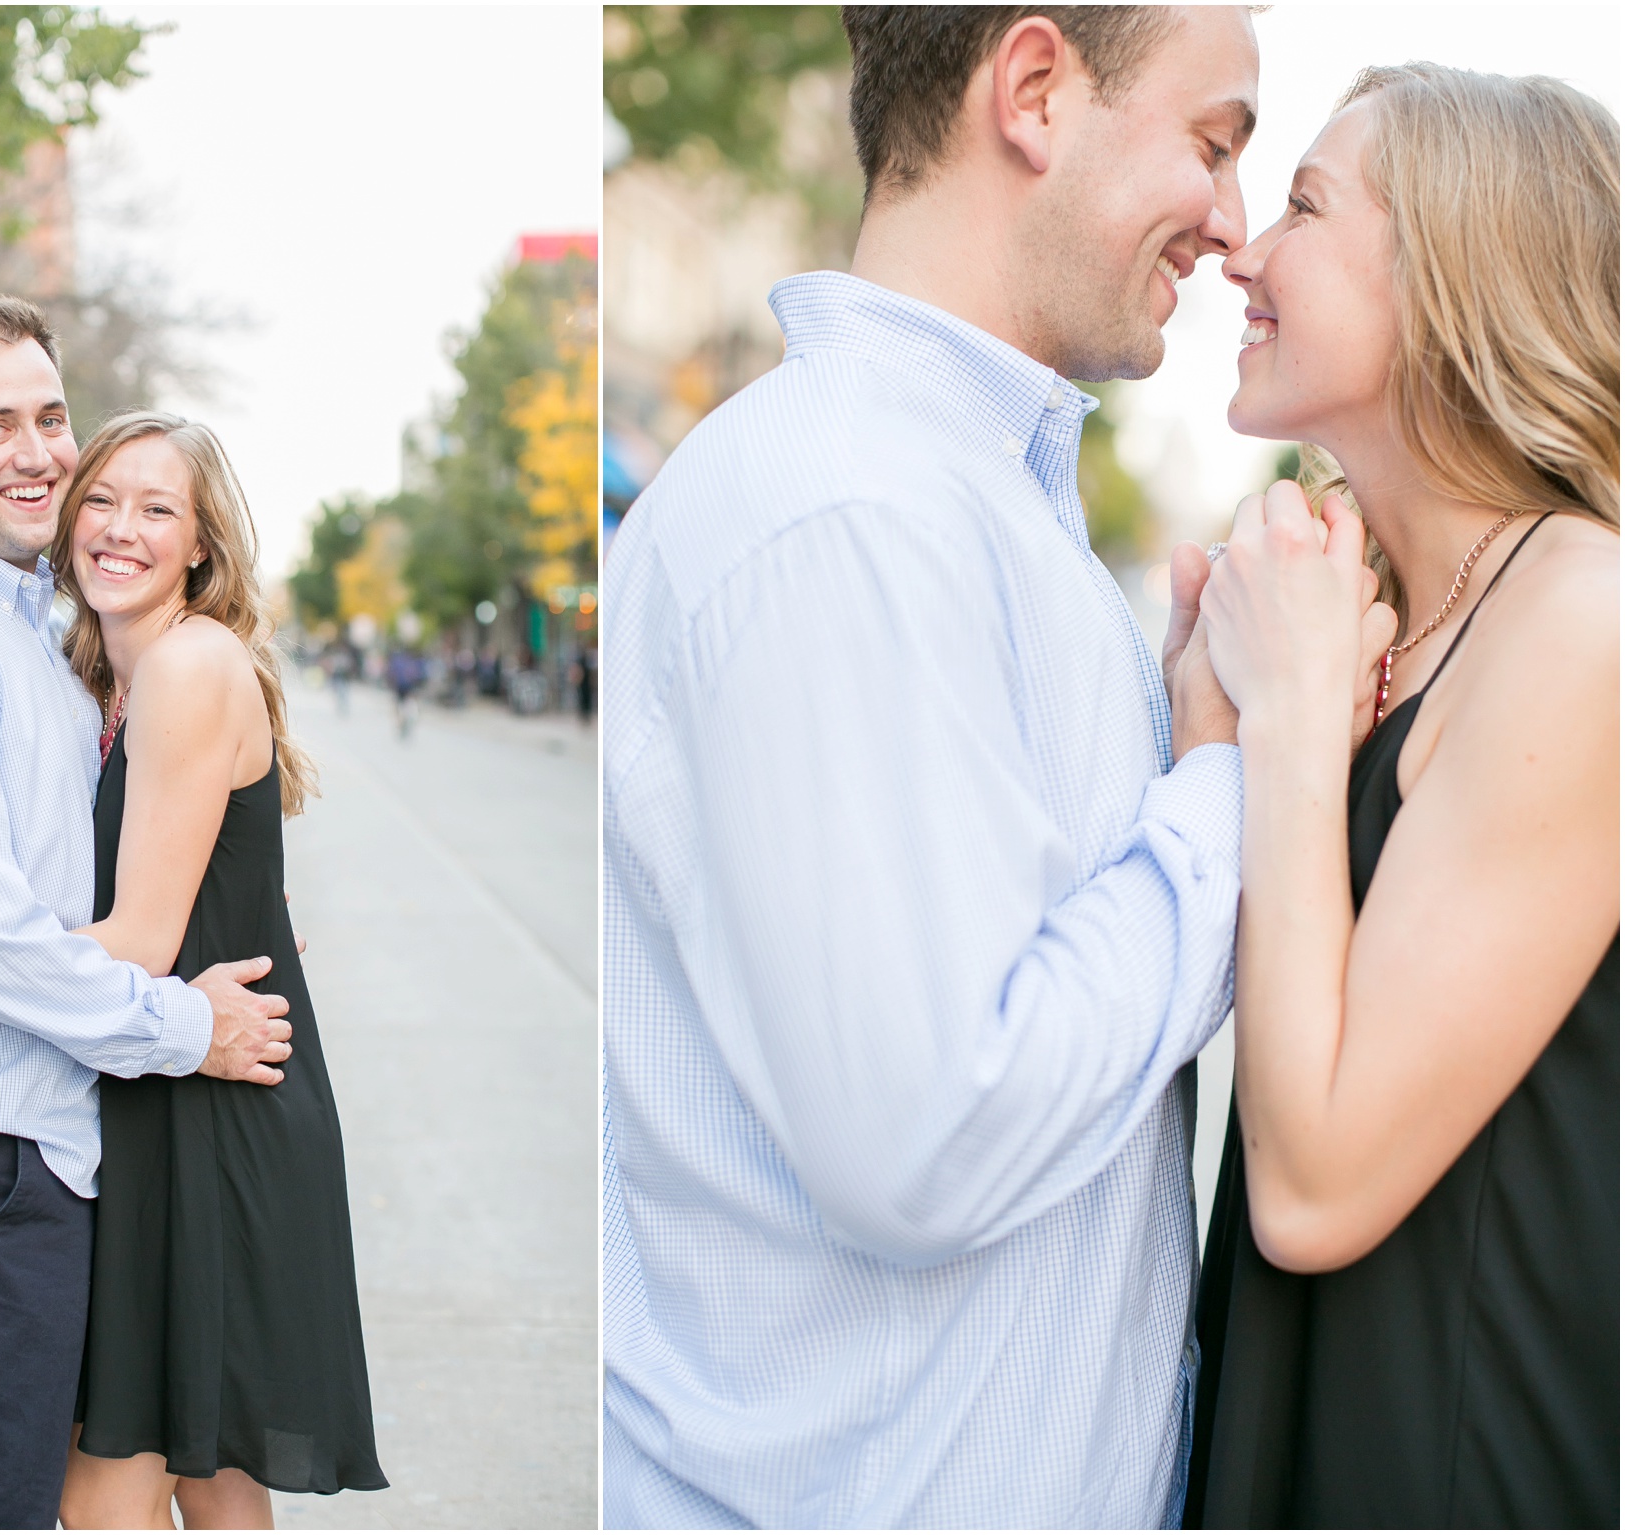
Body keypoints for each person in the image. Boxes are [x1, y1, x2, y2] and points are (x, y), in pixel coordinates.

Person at [599, 7, 1381, 1525]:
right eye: (1213, 143)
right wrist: (1224, 785)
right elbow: (930, 1138)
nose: (1230, 224)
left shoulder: (963, 503)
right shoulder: (852, 515)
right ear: (1032, 90)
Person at [1181, 65, 1618, 1528]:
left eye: (1304, 204)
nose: (1242, 250)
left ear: (1454, 274)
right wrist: (1218, 712)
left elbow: (1314, 1191)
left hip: (1449, 1450)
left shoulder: (1584, 619)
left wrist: (1295, 723)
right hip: (1302, 1413)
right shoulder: (1383, 615)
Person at [0, 295, 296, 1531]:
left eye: (47, 417)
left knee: (84, 1484)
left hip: (54, 1142)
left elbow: (72, 907)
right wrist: (184, 1030)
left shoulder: (51, 636)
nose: (34, 451)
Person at [0, 411, 389, 1529]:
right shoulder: (108, 669)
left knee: (105, 1495)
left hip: (204, 1109)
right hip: (159, 1083)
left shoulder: (189, 664)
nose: (118, 527)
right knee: (211, 1470)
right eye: (101, 498)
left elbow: (143, 939)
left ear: (202, 544)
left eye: (158, 509)